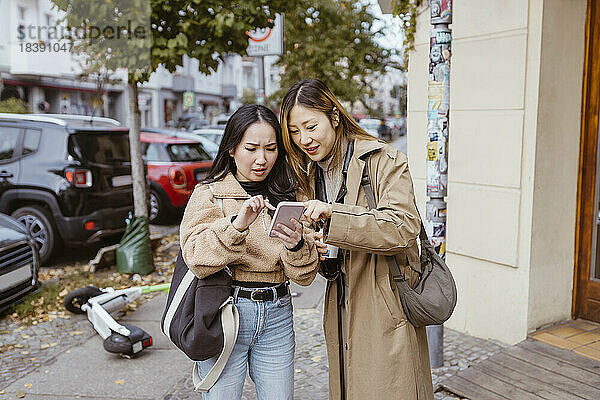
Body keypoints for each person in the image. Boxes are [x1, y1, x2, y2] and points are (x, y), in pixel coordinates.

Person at [280, 79, 434, 400]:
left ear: (334, 117)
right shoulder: (312, 174)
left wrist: (333, 216)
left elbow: (403, 226)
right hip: (340, 306)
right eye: (295, 132)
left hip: (385, 303)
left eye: (311, 126)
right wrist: (314, 249)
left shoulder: (384, 160)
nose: (304, 139)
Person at [180, 104, 320, 400]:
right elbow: (196, 259)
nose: (262, 159)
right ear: (232, 148)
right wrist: (237, 225)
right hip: (225, 314)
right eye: (251, 148)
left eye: (271, 148)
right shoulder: (210, 194)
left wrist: (296, 245)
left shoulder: (290, 195)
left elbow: (305, 277)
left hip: (277, 315)